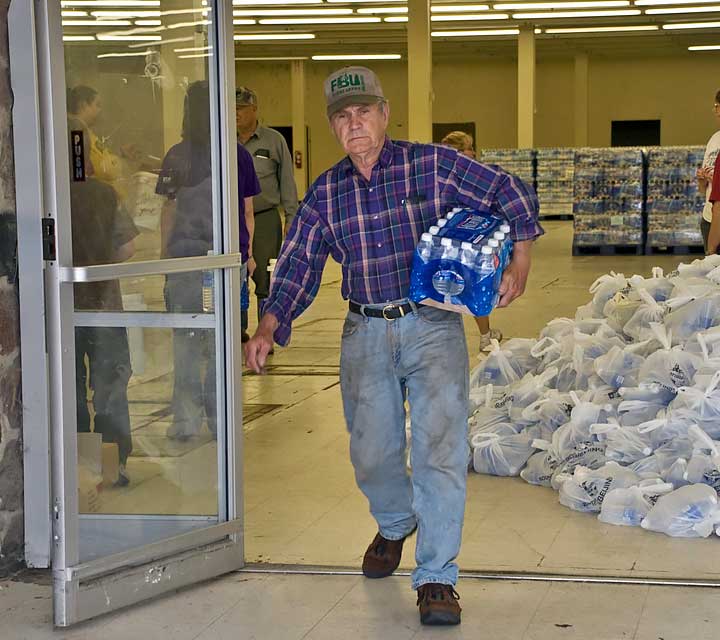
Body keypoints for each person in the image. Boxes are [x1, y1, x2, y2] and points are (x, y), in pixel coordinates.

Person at [244, 66, 542, 626]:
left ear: (383, 115)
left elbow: (505, 187)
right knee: (371, 453)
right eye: (342, 117)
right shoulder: (327, 192)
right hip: (364, 331)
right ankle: (397, 521)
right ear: (333, 127)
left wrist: (522, 253)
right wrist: (269, 324)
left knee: (440, 451)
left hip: (431, 326)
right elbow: (300, 261)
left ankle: (436, 577)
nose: (354, 125)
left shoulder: (429, 163)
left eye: (363, 113)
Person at [157, 80, 260, 440]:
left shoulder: (176, 155)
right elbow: (247, 213)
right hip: (224, 261)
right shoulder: (237, 154)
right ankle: (221, 420)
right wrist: (247, 256)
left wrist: (164, 256)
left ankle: (185, 421)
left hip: (184, 260)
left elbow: (168, 211)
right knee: (222, 344)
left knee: (185, 343)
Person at [70, 127, 138, 487]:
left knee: (70, 389)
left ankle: (78, 470)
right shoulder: (103, 195)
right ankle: (112, 467)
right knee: (109, 386)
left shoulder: (46, 194)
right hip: (103, 303)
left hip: (61, 308)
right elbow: (127, 248)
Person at [236, 87, 299, 343]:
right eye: (232, 110)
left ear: (254, 110)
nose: (236, 115)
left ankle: (264, 335)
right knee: (234, 274)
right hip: (230, 220)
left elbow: (286, 180)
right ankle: (236, 331)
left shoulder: (273, 141)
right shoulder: (221, 138)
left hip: (264, 218)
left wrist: (291, 218)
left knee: (265, 276)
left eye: (240, 109)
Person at [441, 130, 503, 351]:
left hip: (446, 242)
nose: (474, 154)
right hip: (468, 240)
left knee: (447, 287)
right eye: (470, 149)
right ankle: (485, 336)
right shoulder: (472, 178)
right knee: (476, 286)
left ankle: (473, 336)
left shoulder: (440, 177)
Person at [67, 85, 137, 201]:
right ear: (83, 105)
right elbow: (80, 174)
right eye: (97, 105)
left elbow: (98, 158)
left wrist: (120, 154)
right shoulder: (76, 131)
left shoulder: (87, 132)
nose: (100, 110)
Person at [697, 90, 720, 251]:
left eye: (716, 106)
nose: (715, 111)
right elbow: (701, 190)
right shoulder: (714, 139)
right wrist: (702, 179)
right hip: (709, 217)